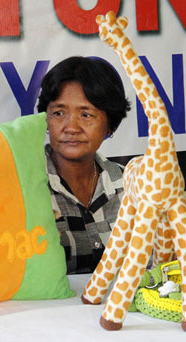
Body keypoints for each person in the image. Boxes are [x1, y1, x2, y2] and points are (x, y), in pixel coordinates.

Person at [37, 56, 131, 274]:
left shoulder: (131, 184)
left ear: (110, 125)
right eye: (59, 113)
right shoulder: (25, 183)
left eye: (86, 114)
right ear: (46, 119)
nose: (71, 127)